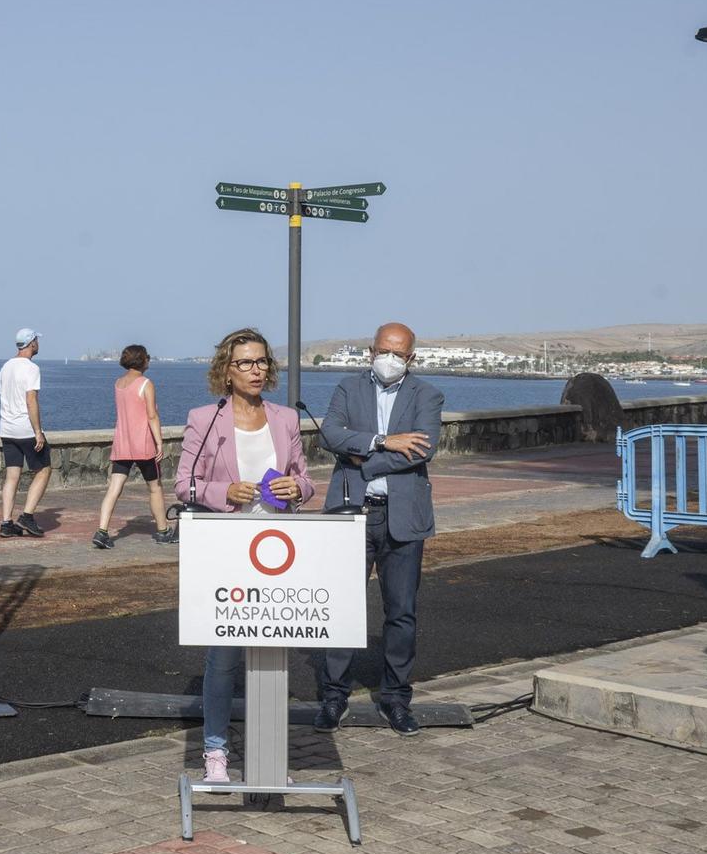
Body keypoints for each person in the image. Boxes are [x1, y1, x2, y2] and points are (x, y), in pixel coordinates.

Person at [174, 327, 314, 783]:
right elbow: (184, 486)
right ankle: (215, 751)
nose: (256, 370)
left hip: (277, 549)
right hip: (226, 547)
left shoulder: (286, 419)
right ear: (226, 370)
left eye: (262, 362)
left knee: (273, 649)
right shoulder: (205, 418)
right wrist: (224, 491)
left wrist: (299, 488)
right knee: (225, 654)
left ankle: (269, 748)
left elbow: (305, 480)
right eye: (246, 363)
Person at [317, 322, 445, 736]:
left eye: (399, 354)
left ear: (411, 358)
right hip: (351, 511)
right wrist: (383, 442)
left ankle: (396, 698)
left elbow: (423, 447)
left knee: (401, 612)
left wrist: (364, 460)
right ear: (371, 350)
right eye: (383, 351)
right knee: (340, 607)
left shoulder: (426, 394)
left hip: (403, 516)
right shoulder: (346, 389)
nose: (390, 359)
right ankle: (334, 696)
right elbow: (331, 435)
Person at [95, 344, 176, 549]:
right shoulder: (145, 383)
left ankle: (102, 531)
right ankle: (163, 530)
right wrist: (159, 442)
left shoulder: (118, 383)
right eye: (147, 357)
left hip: (122, 443)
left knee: (114, 488)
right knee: (155, 487)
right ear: (142, 360)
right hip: (143, 444)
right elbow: (151, 415)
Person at [0, 328, 52, 538]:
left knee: (12, 475)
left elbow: (3, 395)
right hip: (25, 429)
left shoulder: (5, 367)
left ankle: (6, 523)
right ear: (31, 343)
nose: (38, 343)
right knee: (44, 469)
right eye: (36, 340)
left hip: (7, 429)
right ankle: (27, 516)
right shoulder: (31, 368)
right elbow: (31, 400)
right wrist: (38, 432)